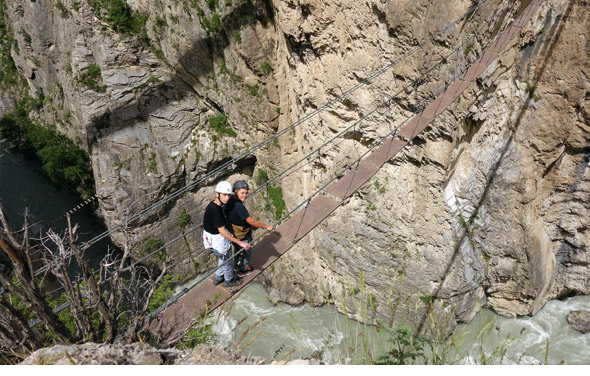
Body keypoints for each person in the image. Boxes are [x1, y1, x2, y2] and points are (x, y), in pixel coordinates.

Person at [203, 181, 251, 287]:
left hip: (210, 240)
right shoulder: (216, 211)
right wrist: (241, 243)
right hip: (217, 241)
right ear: (217, 194)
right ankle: (229, 281)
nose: (227, 198)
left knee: (222, 257)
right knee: (228, 261)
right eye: (224, 195)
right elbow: (223, 233)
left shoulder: (213, 205)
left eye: (228, 195)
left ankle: (218, 277)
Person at [224, 180, 274, 277]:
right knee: (247, 251)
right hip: (241, 234)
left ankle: (235, 266)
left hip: (232, 232)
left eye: (246, 193)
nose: (245, 195)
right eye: (242, 193)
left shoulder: (229, 200)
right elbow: (251, 221)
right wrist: (266, 226)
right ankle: (243, 270)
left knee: (238, 249)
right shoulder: (239, 206)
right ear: (235, 191)